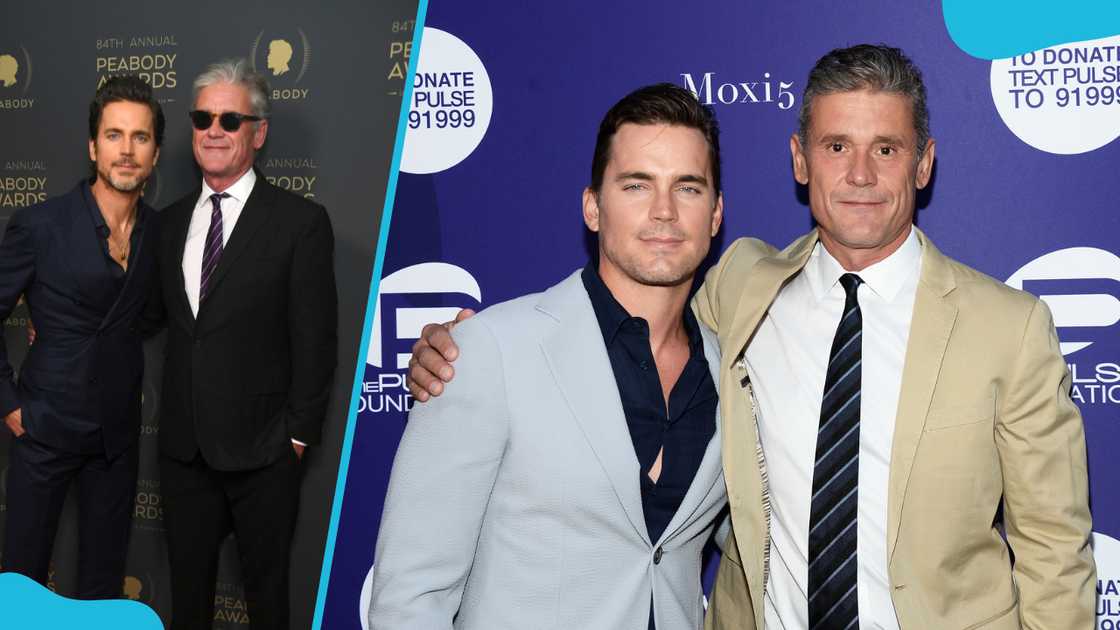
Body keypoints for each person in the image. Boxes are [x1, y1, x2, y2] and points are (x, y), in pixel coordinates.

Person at [408, 45, 1096, 629]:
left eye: (886, 148)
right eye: (836, 147)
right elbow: (623, 298)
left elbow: (1054, 547)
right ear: (801, 160)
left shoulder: (1009, 327)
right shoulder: (741, 287)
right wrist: (460, 347)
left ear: (924, 162)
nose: (860, 175)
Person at [369, 84, 728, 630]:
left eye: (688, 187)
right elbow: (411, 593)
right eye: (636, 185)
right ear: (593, 207)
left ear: (716, 213)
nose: (664, 211)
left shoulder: (733, 373)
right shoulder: (489, 351)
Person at [147, 58, 337, 630]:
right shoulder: (169, 222)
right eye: (203, 117)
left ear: (259, 131)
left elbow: (316, 342)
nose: (214, 130)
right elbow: (152, 316)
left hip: (264, 456)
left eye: (230, 119)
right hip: (184, 452)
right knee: (188, 606)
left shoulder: (300, 222)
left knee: (268, 604)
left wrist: (296, 440)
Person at [0, 76, 163, 597]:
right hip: (43, 428)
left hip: (114, 442)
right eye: (114, 135)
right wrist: (10, 405)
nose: (127, 150)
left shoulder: (162, 233)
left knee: (101, 588)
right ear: (93, 147)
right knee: (21, 587)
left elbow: (152, 314)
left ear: (155, 154)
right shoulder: (40, 225)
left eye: (140, 137)